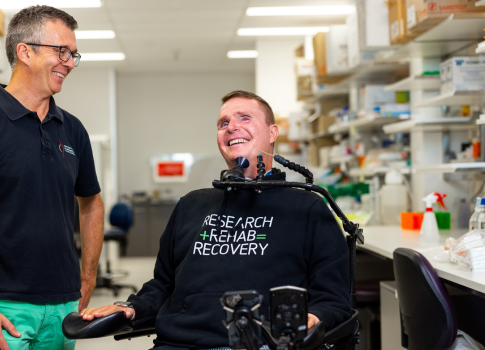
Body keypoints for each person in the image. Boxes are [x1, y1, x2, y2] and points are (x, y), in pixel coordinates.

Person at [80, 90, 351, 349]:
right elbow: (162, 286)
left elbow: (333, 299)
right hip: (178, 344)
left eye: (245, 118)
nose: (231, 126)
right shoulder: (191, 205)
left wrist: (312, 319)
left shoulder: (307, 206)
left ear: (272, 133)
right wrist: (130, 308)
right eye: (223, 123)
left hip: (264, 344)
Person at [0, 6, 104, 350]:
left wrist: (87, 280)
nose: (70, 63)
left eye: (73, 54)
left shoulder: (72, 128)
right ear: (24, 52)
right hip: (1, 306)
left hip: (62, 305)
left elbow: (91, 203)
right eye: (61, 51)